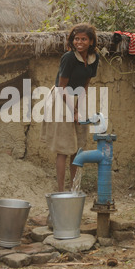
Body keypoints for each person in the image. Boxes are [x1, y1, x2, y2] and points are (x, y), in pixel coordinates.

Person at [40, 23, 99, 192]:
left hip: (78, 98)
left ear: (91, 41)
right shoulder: (69, 57)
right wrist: (73, 110)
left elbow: (85, 85)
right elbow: (61, 87)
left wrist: (80, 108)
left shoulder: (94, 58)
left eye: (84, 39)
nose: (79, 42)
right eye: (76, 38)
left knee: (78, 147)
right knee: (64, 148)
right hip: (62, 99)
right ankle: (60, 191)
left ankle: (74, 189)